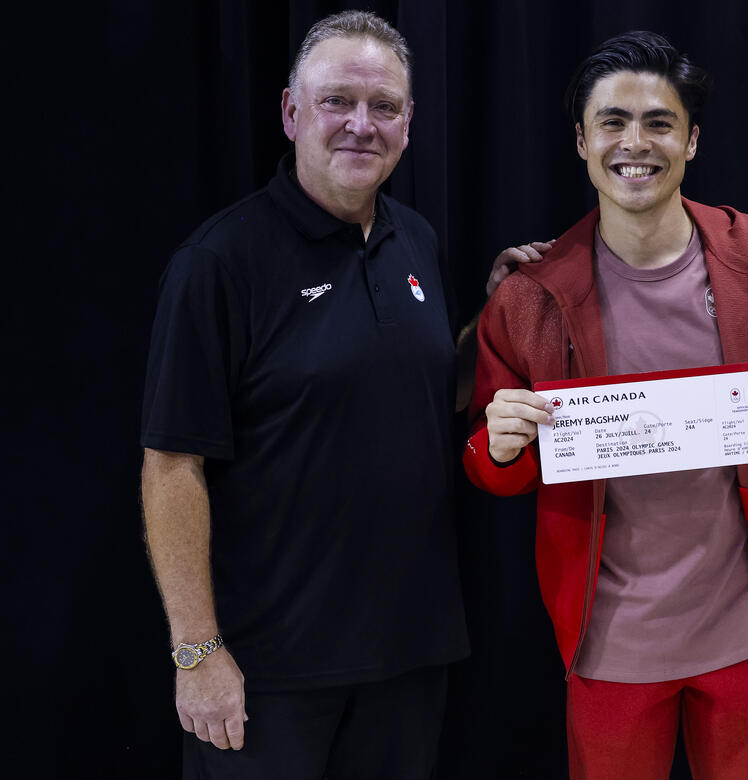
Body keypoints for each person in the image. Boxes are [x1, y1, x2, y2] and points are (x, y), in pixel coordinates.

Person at [465, 31, 748, 780]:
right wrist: (501, 447)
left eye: (658, 122)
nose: (634, 143)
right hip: (610, 645)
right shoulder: (529, 297)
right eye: (611, 121)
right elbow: (493, 468)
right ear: (580, 141)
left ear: (692, 140)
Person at [139, 11, 488, 777]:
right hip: (270, 677)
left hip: (408, 659)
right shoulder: (221, 262)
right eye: (337, 101)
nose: (361, 125)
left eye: (384, 107)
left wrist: (497, 321)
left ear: (408, 123)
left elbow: (427, 394)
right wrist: (198, 652)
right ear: (292, 112)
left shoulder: (418, 240)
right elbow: (171, 465)